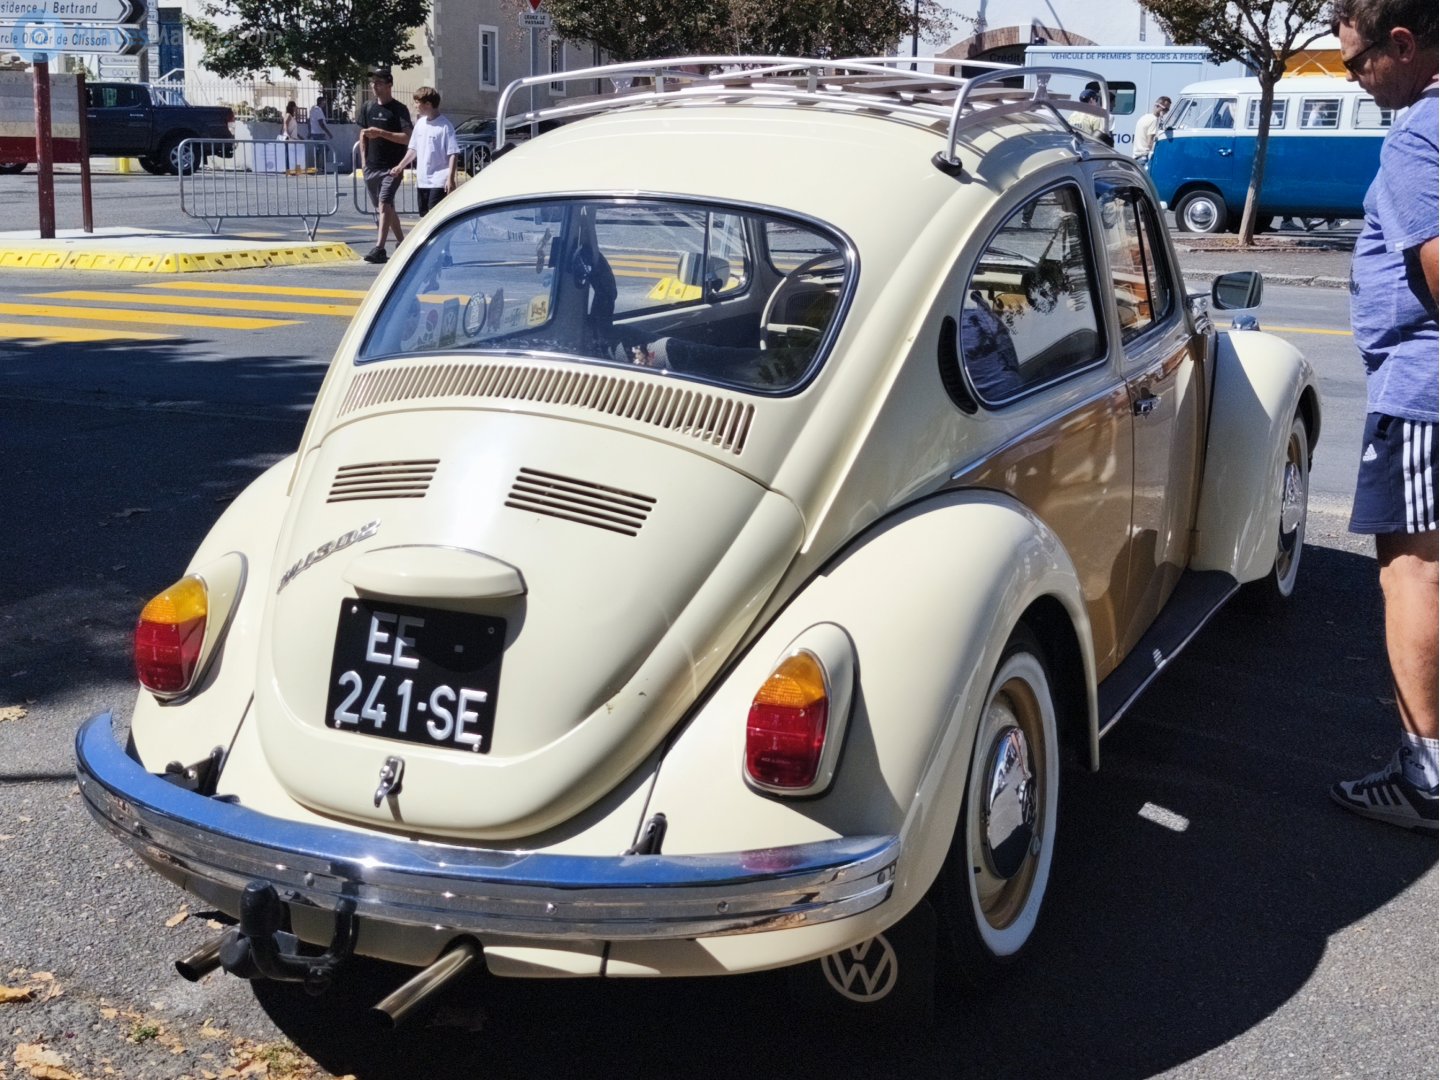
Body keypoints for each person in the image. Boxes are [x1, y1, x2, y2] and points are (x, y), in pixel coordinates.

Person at [1329, 0, 1438, 833]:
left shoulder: (1417, 139)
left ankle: (1424, 774)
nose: (1355, 78)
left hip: (1422, 389)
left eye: (1359, 61)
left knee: (1412, 571)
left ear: (1403, 44)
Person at [359, 69, 413, 264]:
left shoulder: (399, 109)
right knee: (386, 208)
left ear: (389, 85)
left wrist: (381, 133)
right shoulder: (367, 107)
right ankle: (402, 242)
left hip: (392, 167)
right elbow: (363, 134)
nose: (374, 86)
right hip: (372, 167)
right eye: (373, 82)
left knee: (384, 204)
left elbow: (407, 138)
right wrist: (364, 162)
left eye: (379, 83)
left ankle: (379, 248)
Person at [389, 86, 460, 216]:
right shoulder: (420, 124)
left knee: (434, 216)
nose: (415, 105)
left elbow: (453, 153)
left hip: (439, 181)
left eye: (417, 102)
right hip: (422, 180)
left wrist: (450, 179)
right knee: (424, 217)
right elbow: (413, 149)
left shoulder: (445, 126)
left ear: (428, 104)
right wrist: (400, 166)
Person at [1132, 95, 1170, 169]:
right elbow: (1150, 142)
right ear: (1158, 106)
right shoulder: (1154, 120)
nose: (1166, 112)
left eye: (1167, 110)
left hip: (1137, 156)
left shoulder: (1145, 117)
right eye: (1165, 109)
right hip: (1144, 157)